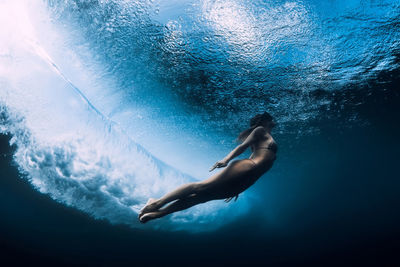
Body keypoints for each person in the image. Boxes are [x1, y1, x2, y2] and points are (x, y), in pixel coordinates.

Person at [138, 112, 278, 223]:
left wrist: (240, 184)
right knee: (202, 187)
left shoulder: (265, 136)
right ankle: (156, 203)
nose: (274, 120)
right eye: (271, 118)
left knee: (202, 197)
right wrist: (226, 160)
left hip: (248, 178)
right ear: (265, 121)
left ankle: (160, 213)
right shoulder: (260, 130)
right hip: (248, 167)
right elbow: (242, 147)